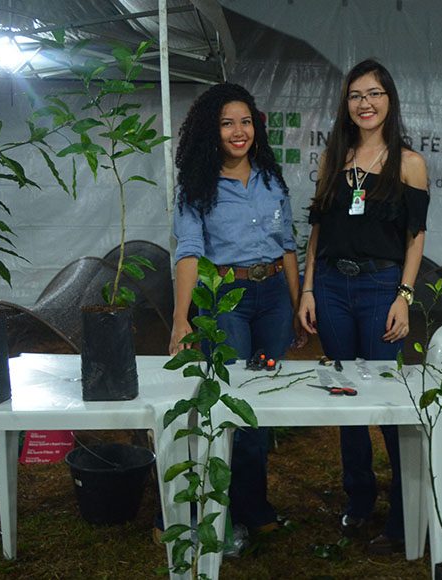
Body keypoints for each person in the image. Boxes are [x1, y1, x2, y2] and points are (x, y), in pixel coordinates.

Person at [298, 59, 429, 555]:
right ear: (346, 104)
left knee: (389, 401)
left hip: (380, 289)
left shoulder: (409, 163)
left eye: (374, 93)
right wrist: (308, 289)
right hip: (332, 288)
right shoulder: (334, 158)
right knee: (345, 396)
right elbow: (317, 231)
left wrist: (404, 297)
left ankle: (403, 514)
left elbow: (415, 238)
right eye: (356, 95)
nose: (365, 103)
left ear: (389, 100)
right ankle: (358, 497)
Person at [170, 83, 299, 536]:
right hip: (226, 300)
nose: (238, 131)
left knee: (261, 403)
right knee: (230, 401)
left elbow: (288, 247)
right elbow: (188, 252)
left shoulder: (271, 180)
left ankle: (252, 507)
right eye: (227, 123)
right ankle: (215, 511)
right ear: (212, 130)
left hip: (275, 299)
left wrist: (296, 305)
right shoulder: (196, 187)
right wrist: (181, 319)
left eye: (245, 122)